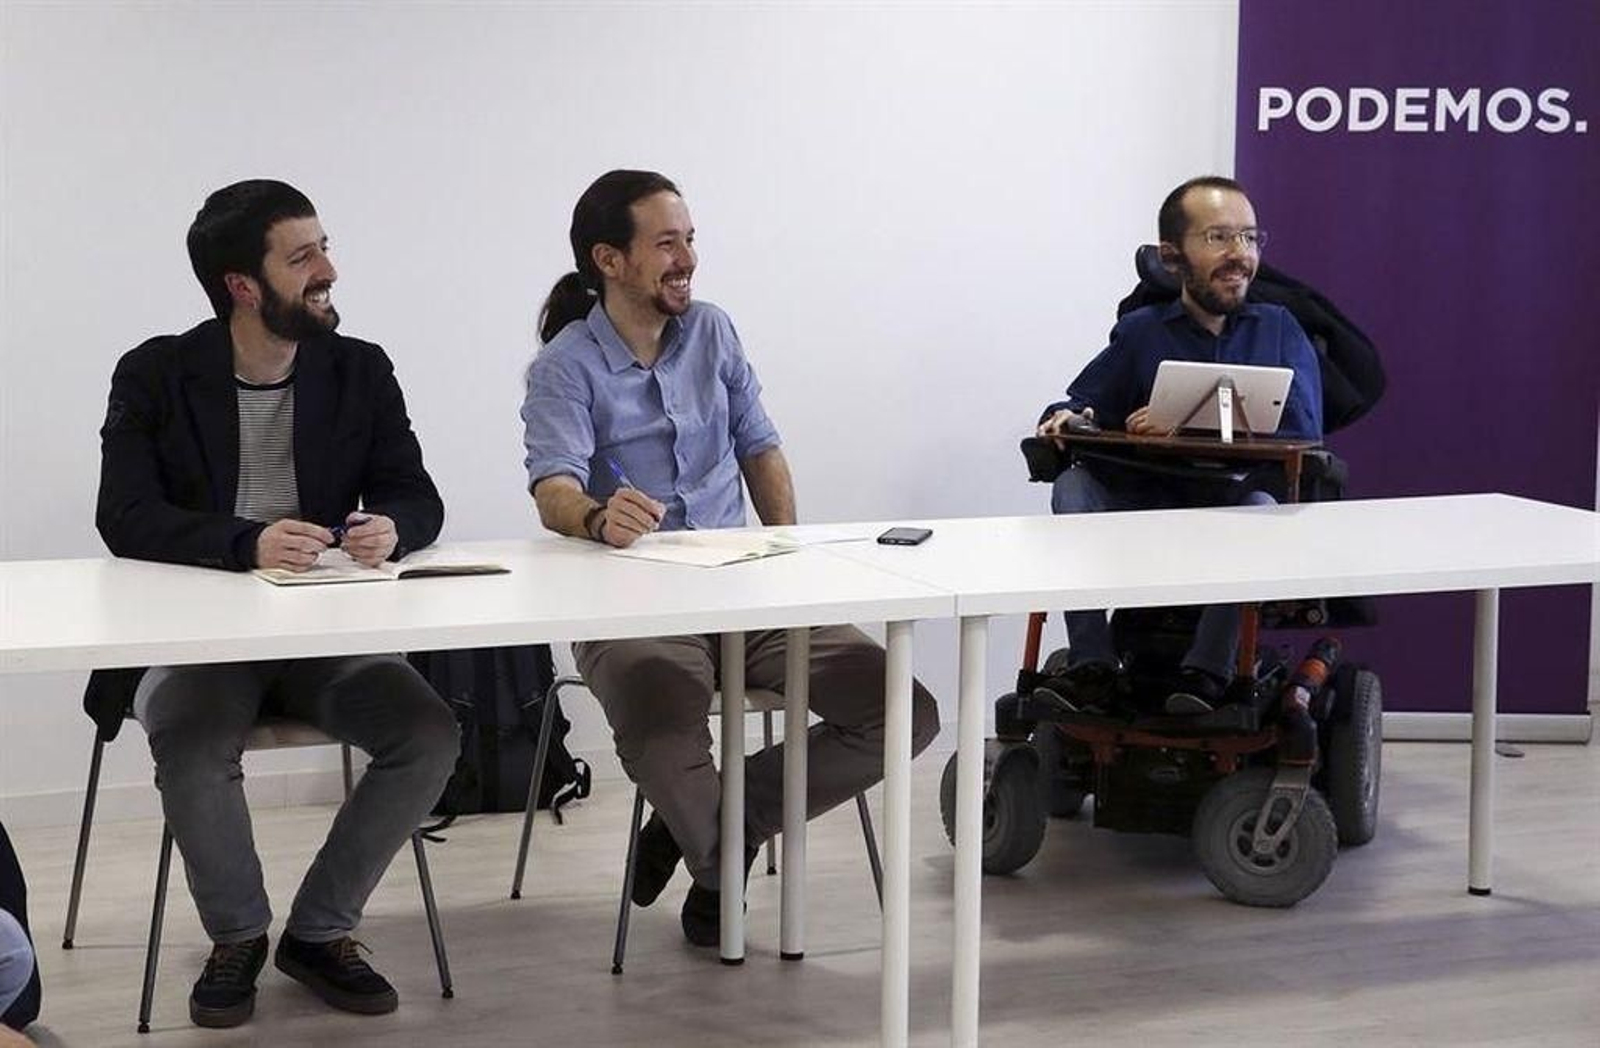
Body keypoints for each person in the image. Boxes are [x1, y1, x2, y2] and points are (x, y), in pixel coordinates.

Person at [522, 170, 939, 948]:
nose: (686, 259)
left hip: (749, 588)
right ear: (609, 260)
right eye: (666, 244)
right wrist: (594, 514)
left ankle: (703, 833)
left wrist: (789, 553)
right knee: (660, 714)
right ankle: (719, 858)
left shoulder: (712, 330)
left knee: (904, 710)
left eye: (690, 241)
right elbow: (552, 489)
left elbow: (761, 448)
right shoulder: (565, 367)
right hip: (634, 603)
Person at [93, 180, 458, 1028]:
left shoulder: (359, 368)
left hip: (325, 635)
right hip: (205, 643)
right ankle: (239, 939)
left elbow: (418, 494)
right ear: (243, 286)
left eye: (324, 247)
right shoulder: (155, 373)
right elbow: (125, 515)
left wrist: (392, 528)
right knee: (187, 739)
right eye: (303, 258)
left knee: (429, 732)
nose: (328, 269)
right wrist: (244, 542)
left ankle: (320, 932)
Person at [1034, 175, 1323, 715]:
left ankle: (1208, 673)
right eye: (1219, 238)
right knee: (1073, 485)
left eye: (1251, 238)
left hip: (1232, 508)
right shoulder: (1142, 331)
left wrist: (1188, 426)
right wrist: (1067, 416)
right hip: (1148, 508)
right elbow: (1076, 402)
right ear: (1172, 257)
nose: (1240, 254)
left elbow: (1307, 431)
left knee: (1263, 510)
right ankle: (1092, 663)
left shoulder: (1281, 328)